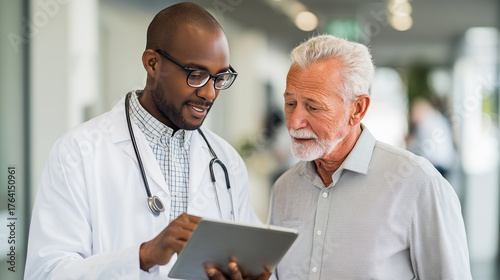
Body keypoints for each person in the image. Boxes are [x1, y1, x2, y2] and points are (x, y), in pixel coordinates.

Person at [25, 3, 270, 280]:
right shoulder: (78, 152)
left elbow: (251, 261)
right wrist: (144, 256)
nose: (210, 93)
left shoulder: (226, 161)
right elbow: (45, 273)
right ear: (153, 63)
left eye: (219, 78)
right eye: (197, 75)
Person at [269, 35, 472, 279]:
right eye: (290, 103)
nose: (294, 121)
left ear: (357, 109)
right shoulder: (284, 188)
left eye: (313, 107)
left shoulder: (417, 183)